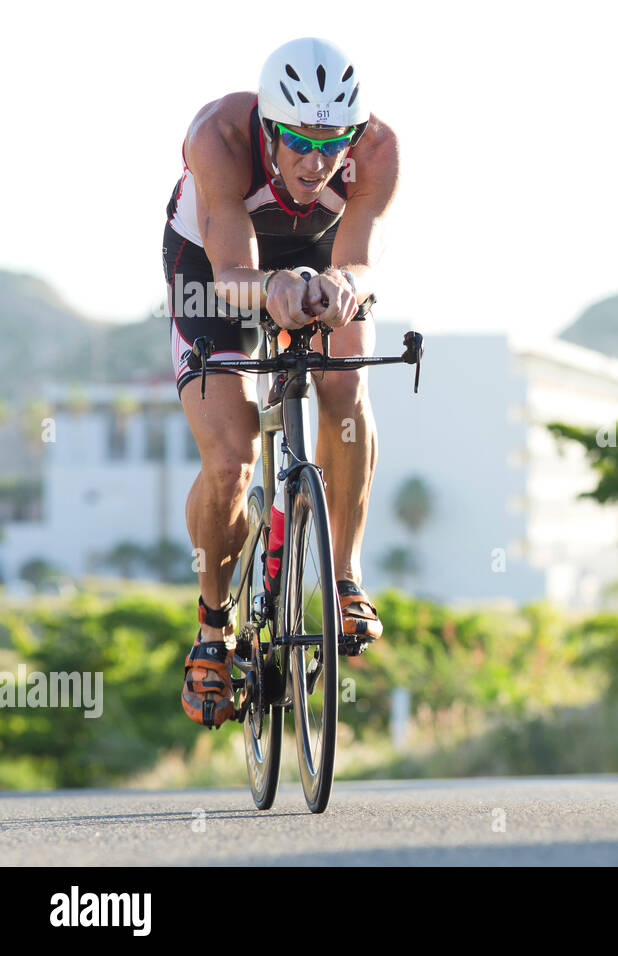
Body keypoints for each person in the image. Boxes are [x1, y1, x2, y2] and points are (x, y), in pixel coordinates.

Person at [164, 37, 399, 728]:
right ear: (268, 126)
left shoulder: (379, 151)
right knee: (231, 459)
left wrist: (342, 286)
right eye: (298, 139)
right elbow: (235, 271)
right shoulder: (220, 137)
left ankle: (347, 579)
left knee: (347, 385)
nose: (317, 159)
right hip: (215, 266)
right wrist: (271, 289)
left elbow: (359, 257)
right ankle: (213, 631)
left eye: (333, 140)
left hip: (317, 255)